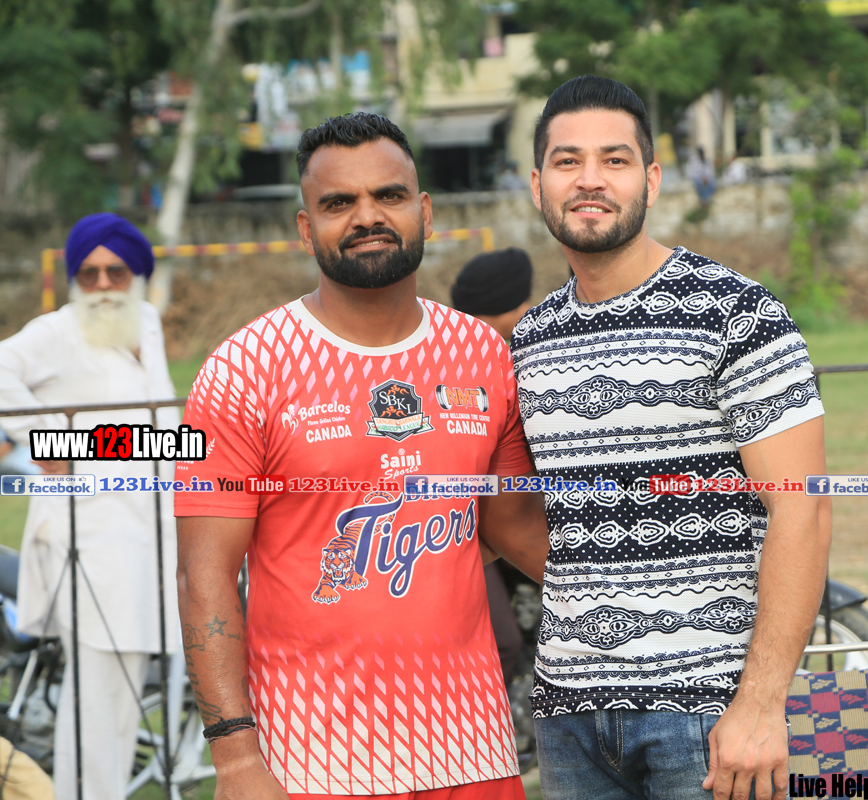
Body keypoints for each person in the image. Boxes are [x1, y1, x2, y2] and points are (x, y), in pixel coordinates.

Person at [173, 112, 548, 800]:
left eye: (389, 195)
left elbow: (515, 529)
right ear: (305, 227)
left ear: (424, 211)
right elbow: (205, 575)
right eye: (338, 202)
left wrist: (651, 600)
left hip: (472, 748)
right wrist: (234, 757)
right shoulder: (243, 370)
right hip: (312, 760)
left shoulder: (485, 356)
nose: (367, 216)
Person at [511, 75, 832, 800]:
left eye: (614, 159)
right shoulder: (530, 340)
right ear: (537, 185)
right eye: (567, 161)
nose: (589, 180)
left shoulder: (737, 313)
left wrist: (760, 704)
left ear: (651, 180)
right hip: (568, 717)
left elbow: (803, 508)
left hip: (707, 714)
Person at [0, 212, 180, 800]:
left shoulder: (145, 320)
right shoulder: (57, 330)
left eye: (116, 272)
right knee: (100, 700)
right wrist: (48, 440)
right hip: (92, 538)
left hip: (151, 536)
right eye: (89, 273)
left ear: (138, 275)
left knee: (127, 694)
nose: (103, 285)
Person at [449, 247, 535, 688]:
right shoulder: (472, 365)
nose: (527, 313)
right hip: (455, 533)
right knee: (500, 642)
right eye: (520, 305)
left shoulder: (508, 357)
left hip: (504, 522)